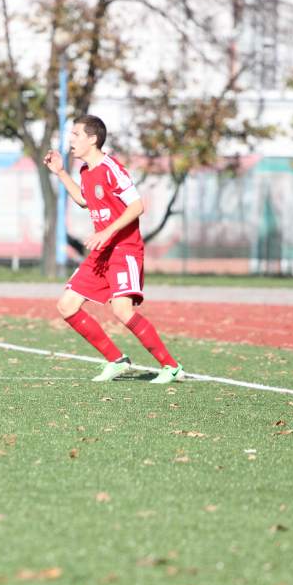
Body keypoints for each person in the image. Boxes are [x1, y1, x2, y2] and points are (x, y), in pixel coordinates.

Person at [44, 114, 183, 384]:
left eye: (76, 135)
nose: (70, 140)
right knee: (67, 306)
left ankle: (171, 366)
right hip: (102, 251)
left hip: (124, 248)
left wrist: (107, 231)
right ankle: (117, 361)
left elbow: (137, 206)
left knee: (122, 310)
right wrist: (60, 172)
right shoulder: (85, 171)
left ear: (93, 139)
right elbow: (84, 201)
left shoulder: (111, 168)